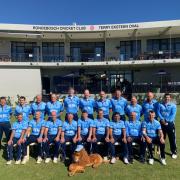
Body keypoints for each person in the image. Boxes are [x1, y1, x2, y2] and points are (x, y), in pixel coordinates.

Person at [157, 93, 177, 159]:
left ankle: (174, 152)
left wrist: (166, 121)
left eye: (168, 97)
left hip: (170, 124)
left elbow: (173, 115)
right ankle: (161, 150)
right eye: (166, 97)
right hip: (161, 123)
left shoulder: (173, 105)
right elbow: (158, 112)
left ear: (170, 98)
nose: (167, 98)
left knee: (172, 138)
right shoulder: (160, 104)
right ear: (164, 98)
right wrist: (162, 119)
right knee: (162, 137)